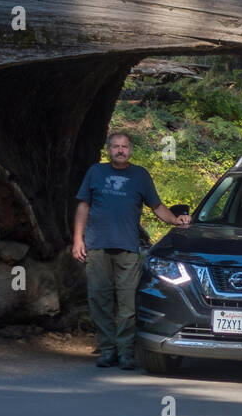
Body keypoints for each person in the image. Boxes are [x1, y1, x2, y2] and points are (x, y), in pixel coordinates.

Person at [72, 132, 190, 370]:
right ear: (109, 149)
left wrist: (176, 219)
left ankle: (125, 352)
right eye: (115, 146)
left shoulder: (140, 176)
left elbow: (157, 206)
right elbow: (83, 205)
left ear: (131, 150)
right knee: (99, 300)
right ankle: (107, 350)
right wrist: (78, 239)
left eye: (124, 146)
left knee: (128, 306)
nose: (120, 150)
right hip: (97, 247)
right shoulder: (96, 172)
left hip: (128, 248)